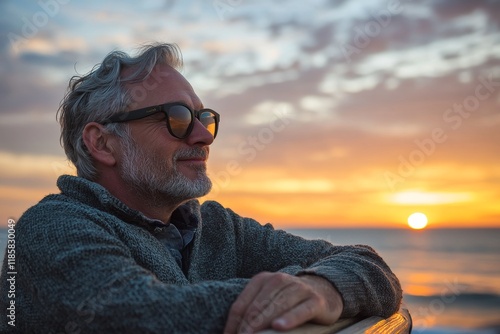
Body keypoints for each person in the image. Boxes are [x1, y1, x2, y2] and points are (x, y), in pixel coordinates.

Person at [0, 43, 402, 333]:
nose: (203, 137)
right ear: (102, 143)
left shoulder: (218, 227)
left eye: (204, 117)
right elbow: (142, 316)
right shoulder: (48, 229)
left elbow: (371, 267)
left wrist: (323, 288)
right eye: (176, 117)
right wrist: (289, 293)